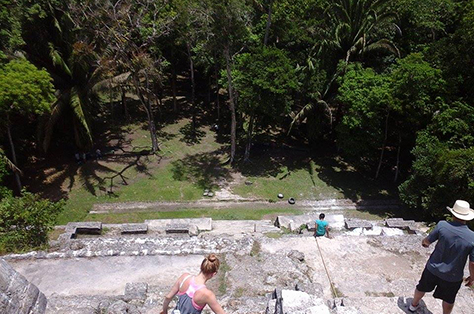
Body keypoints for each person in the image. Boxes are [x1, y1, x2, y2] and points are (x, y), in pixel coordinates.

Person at [409, 200, 474, 314]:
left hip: (433, 268)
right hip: (453, 275)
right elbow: (472, 263)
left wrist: (424, 243)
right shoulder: (472, 237)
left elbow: (427, 241)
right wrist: (472, 277)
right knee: (449, 299)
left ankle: (413, 305)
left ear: (453, 214)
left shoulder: (442, 225)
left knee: (421, 287)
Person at [161, 254, 227, 314]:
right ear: (214, 274)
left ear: (201, 266)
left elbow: (168, 297)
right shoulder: (207, 294)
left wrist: (164, 311)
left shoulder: (184, 277)